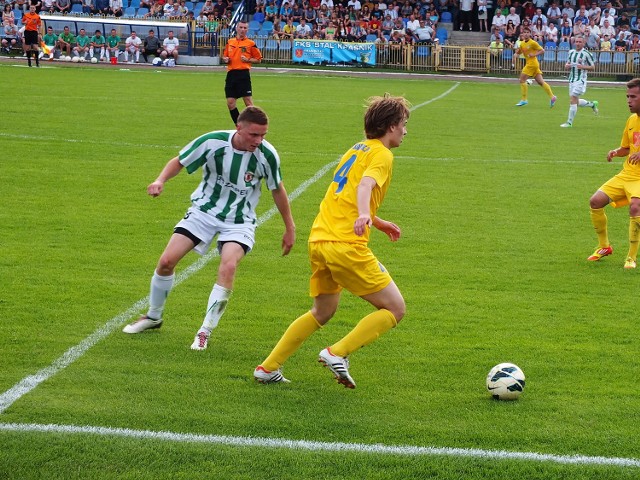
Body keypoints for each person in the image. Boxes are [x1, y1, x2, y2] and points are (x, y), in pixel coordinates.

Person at [254, 94, 410, 388]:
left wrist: (376, 220)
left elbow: (348, 192)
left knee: (322, 311)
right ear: (391, 126)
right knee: (395, 309)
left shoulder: (357, 149)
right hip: (345, 244)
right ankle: (336, 353)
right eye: (403, 124)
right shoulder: (382, 155)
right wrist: (365, 214)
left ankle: (268, 367)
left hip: (320, 240)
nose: (405, 131)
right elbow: (365, 186)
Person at [122, 106, 296, 351]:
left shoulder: (267, 155)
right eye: (254, 135)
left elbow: (277, 189)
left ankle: (204, 331)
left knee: (229, 265)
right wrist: (160, 180)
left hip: (239, 220)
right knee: (166, 262)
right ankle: (153, 317)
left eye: (263, 135)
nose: (259, 141)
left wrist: (290, 227)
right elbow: (179, 161)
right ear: (239, 128)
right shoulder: (212, 142)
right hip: (203, 212)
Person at [587, 78, 640, 269]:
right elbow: (628, 147)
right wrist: (617, 151)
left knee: (636, 207)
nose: (628, 100)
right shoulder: (632, 120)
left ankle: (631, 258)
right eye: (627, 96)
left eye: (633, 96)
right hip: (627, 175)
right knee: (595, 201)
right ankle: (604, 247)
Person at [222, 21, 262, 125]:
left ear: (247, 30)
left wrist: (248, 60)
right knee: (230, 103)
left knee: (248, 102)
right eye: (241, 27)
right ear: (237, 28)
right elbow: (224, 56)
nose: (243, 30)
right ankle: (239, 126)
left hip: (243, 74)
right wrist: (225, 59)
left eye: (245, 28)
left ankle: (255, 124)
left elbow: (258, 59)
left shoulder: (251, 43)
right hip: (231, 74)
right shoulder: (230, 42)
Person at [560, 35, 598, 128]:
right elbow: (568, 63)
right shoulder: (571, 52)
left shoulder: (586, 54)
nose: (578, 43)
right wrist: (567, 66)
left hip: (581, 80)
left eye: (580, 42)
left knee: (572, 99)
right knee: (575, 101)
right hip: (572, 79)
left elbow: (593, 67)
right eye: (576, 42)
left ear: (584, 43)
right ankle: (592, 104)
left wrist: (583, 67)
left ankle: (569, 123)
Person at [514, 27, 556, 107]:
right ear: (522, 34)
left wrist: (534, 54)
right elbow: (519, 51)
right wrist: (516, 54)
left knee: (522, 80)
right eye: (524, 32)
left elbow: (542, 50)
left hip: (532, 64)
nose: (526, 34)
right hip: (533, 64)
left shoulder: (533, 43)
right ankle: (552, 97)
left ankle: (524, 99)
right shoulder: (522, 43)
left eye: (527, 32)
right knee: (541, 82)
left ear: (530, 34)